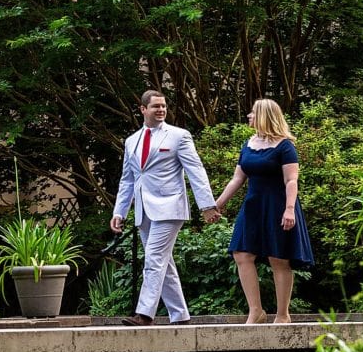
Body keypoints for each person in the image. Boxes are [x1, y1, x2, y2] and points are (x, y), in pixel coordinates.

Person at [111, 89, 220, 326]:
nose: (161, 110)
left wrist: (207, 205)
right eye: (155, 107)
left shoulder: (179, 136)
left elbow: (196, 170)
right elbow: (128, 179)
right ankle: (180, 315)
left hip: (170, 207)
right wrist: (119, 211)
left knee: (154, 258)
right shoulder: (132, 141)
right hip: (144, 210)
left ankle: (145, 314)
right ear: (143, 110)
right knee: (163, 262)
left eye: (163, 106)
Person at [214, 98, 314, 324]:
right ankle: (256, 311)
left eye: (252, 112)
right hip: (253, 205)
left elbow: (291, 180)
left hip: (278, 205)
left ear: (264, 116)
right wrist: (217, 204)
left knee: (278, 258)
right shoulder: (249, 144)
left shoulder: (285, 146)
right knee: (241, 253)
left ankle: (282, 315)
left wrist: (289, 210)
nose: (248, 116)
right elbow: (237, 178)